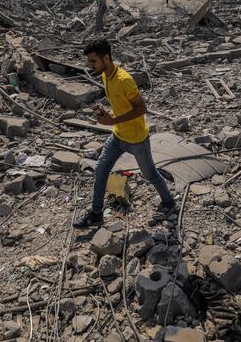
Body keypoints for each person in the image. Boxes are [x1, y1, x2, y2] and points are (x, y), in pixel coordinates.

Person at [73, 40, 176, 228]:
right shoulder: (105, 76)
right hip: (118, 136)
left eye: (93, 61)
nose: (90, 66)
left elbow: (141, 108)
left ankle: (169, 203)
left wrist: (112, 121)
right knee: (101, 170)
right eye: (89, 61)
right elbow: (122, 106)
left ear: (106, 58)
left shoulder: (124, 80)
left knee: (150, 175)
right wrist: (108, 115)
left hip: (137, 140)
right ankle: (96, 214)